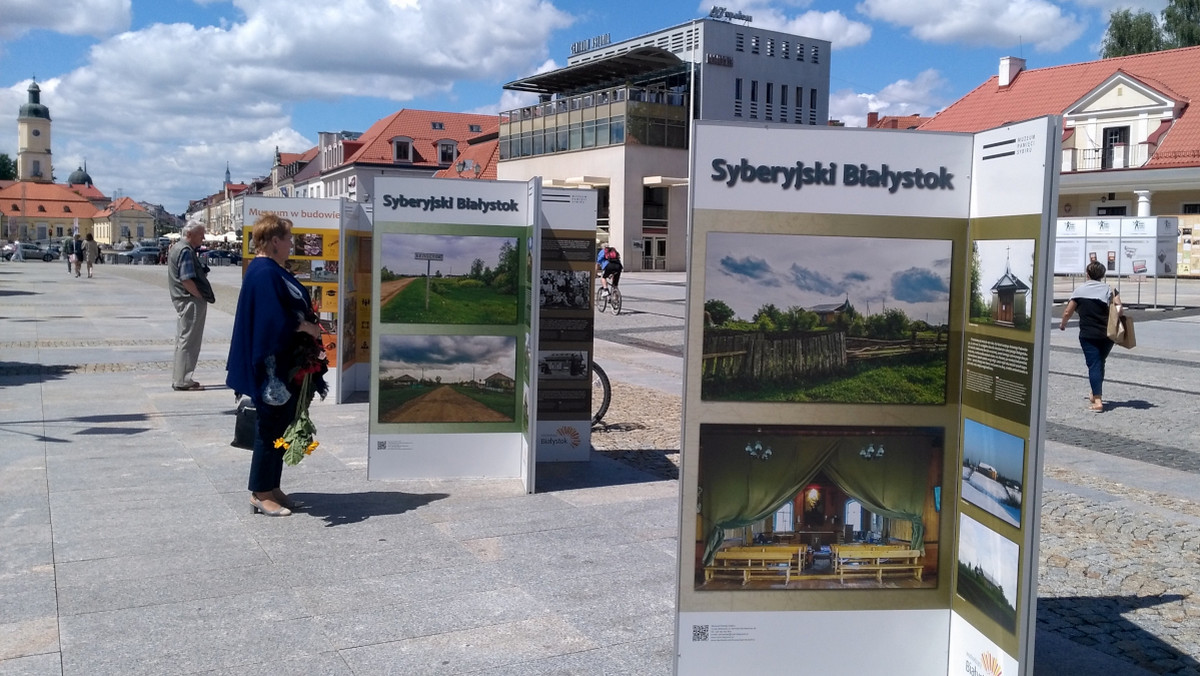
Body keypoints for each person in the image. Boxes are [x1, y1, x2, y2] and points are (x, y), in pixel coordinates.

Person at [226, 214, 326, 517]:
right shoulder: (265, 272)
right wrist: (309, 329)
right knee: (268, 427)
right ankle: (259, 492)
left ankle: (272, 486)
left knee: (280, 425)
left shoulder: (270, 270)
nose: (291, 244)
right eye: (288, 239)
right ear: (274, 241)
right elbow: (276, 320)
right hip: (272, 366)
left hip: (282, 364)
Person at [1059, 261, 1118, 412]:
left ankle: (1098, 401)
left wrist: (1063, 325)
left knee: (1094, 364)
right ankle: (1094, 392)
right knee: (1099, 362)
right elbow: (1120, 309)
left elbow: (1067, 311)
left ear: (1087, 274)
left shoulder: (1080, 291)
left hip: (1088, 335)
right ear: (1102, 275)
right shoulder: (1110, 289)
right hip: (1108, 335)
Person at [167, 222, 215, 391]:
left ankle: (179, 378)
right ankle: (183, 380)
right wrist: (199, 295)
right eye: (201, 234)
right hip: (189, 300)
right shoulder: (185, 251)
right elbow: (186, 279)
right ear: (190, 234)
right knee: (189, 340)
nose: (203, 237)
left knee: (183, 339)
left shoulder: (177, 248)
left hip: (183, 299)